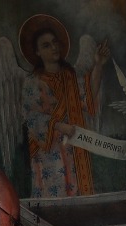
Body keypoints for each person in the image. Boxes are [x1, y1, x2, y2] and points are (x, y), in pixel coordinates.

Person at [20, 14, 110, 198]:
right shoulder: (33, 82)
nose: (53, 47)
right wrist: (60, 126)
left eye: (55, 42)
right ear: (37, 52)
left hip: (73, 149)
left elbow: (88, 97)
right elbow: (32, 118)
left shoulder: (70, 77)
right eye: (46, 45)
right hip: (49, 152)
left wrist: (98, 65)